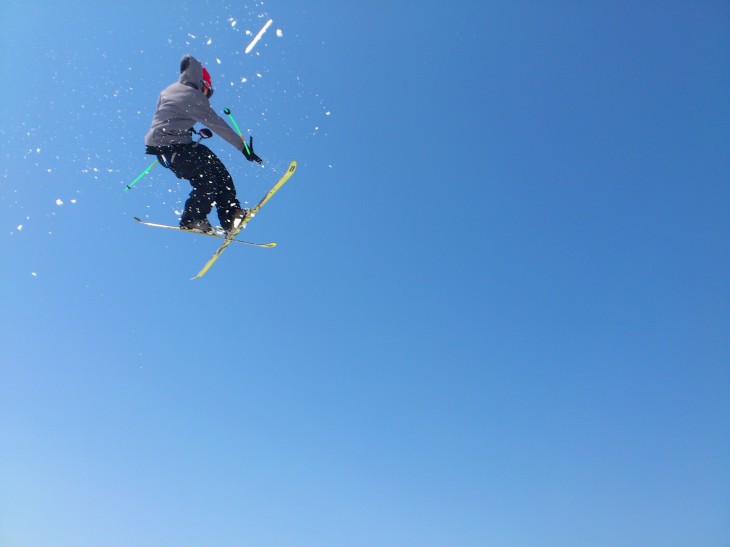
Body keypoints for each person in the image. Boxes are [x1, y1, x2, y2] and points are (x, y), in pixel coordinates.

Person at [144, 54, 262, 233]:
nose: (208, 96)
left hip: (178, 145)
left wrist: (187, 130)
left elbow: (169, 115)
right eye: (209, 91)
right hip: (171, 149)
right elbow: (216, 123)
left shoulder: (174, 90)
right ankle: (193, 219)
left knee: (220, 174)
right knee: (207, 179)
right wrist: (243, 147)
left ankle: (231, 215)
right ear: (202, 85)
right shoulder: (192, 95)